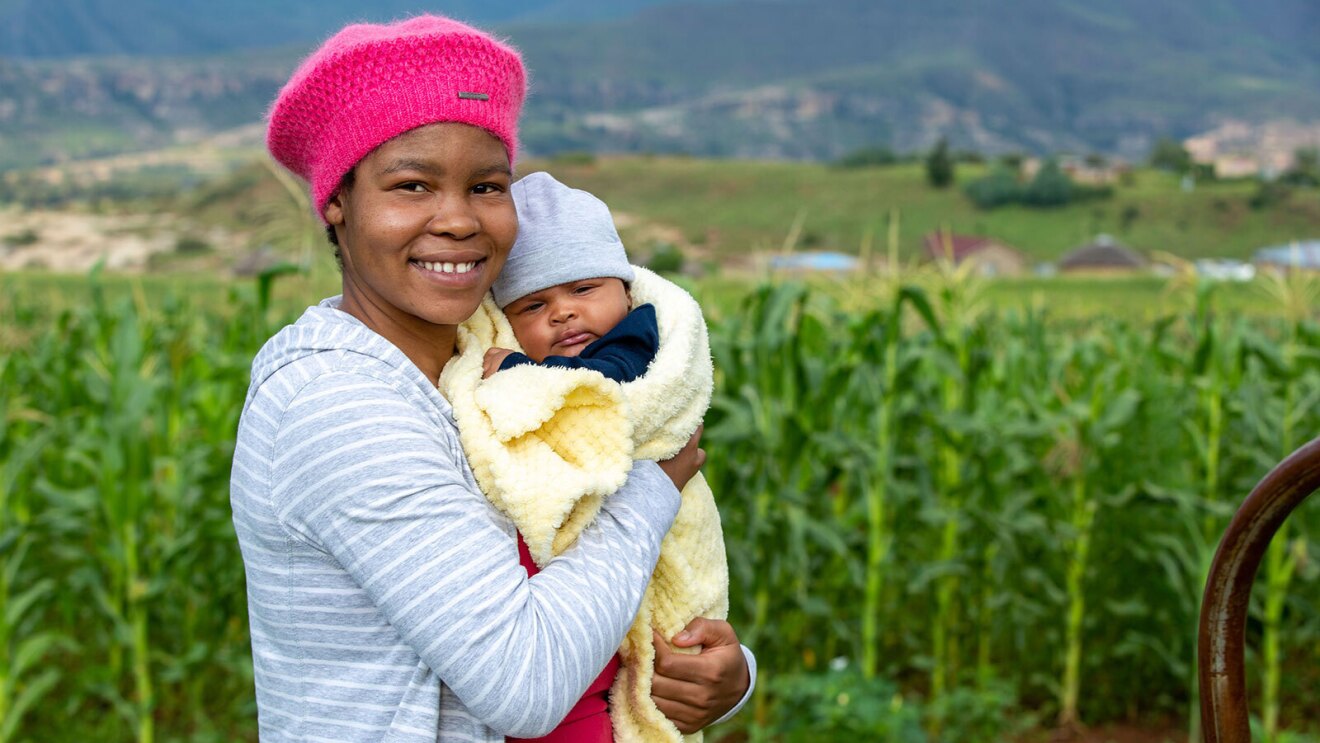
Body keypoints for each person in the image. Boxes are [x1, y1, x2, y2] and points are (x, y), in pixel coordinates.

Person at [230, 14, 752, 742]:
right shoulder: (339, 403)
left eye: (486, 186)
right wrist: (651, 489)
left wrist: (721, 675)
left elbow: (586, 580)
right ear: (338, 202)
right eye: (412, 185)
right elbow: (524, 683)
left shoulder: (498, 366)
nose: (458, 220)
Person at [439, 171, 732, 741]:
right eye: (533, 305)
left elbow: (601, 390)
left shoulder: (635, 339)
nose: (563, 314)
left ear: (625, 291)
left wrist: (518, 371)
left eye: (583, 290)